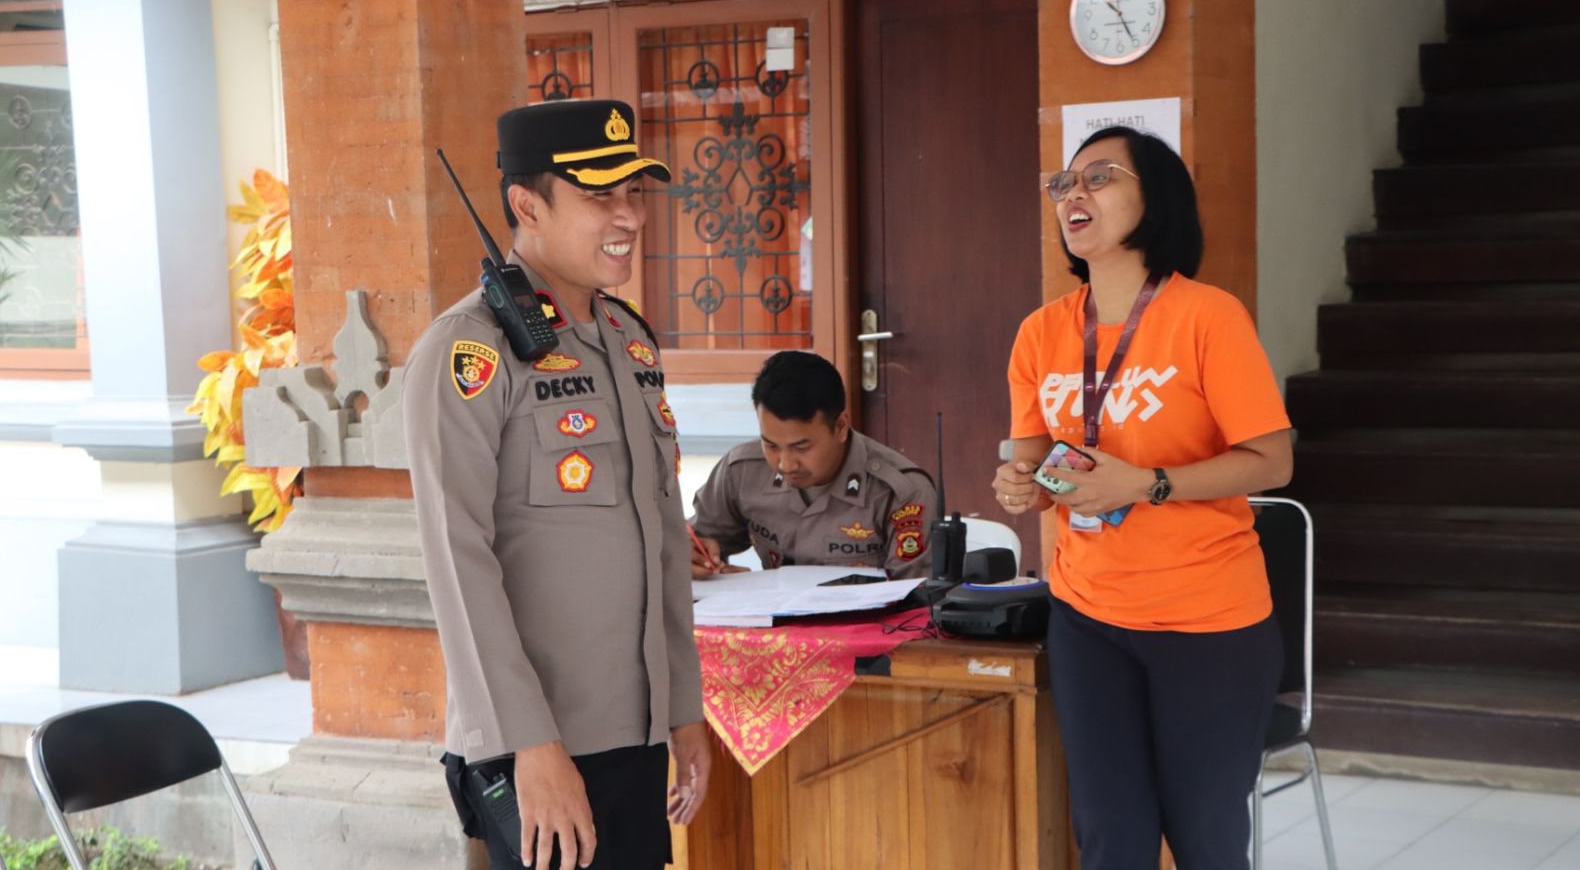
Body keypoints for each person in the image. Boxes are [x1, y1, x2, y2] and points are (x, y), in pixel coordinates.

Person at [403, 99, 710, 870]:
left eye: (633, 193)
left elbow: (663, 542)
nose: (629, 216)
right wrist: (528, 745)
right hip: (540, 745)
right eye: (600, 196)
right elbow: (457, 560)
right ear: (527, 205)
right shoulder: (470, 350)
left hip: (635, 734)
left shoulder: (629, 340)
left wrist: (683, 709)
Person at [992, 126, 1293, 870]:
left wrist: (1147, 484)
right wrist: (1022, 486)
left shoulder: (1208, 316)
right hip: (1088, 616)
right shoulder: (1040, 333)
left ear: (1154, 199)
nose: (1074, 194)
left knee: (1205, 842)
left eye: (1099, 177)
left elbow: (1273, 462)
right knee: (1111, 839)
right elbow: (1036, 465)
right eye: (1064, 183)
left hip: (1208, 622)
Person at [689, 350, 937, 580]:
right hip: (767, 613)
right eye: (771, 445)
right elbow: (696, 543)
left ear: (840, 427)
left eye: (801, 447)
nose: (786, 464)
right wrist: (700, 561)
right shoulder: (742, 471)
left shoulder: (900, 492)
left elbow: (913, 598)